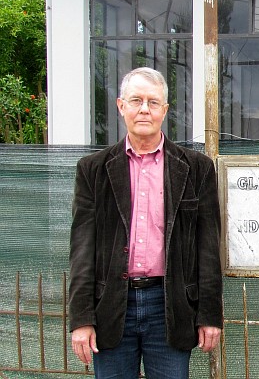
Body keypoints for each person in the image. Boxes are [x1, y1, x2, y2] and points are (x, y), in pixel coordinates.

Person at [69, 67, 223, 378]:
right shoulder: (92, 170)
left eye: (153, 102)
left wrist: (210, 314)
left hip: (170, 306)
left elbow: (208, 247)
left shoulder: (197, 169)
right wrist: (81, 318)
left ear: (165, 110)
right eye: (136, 100)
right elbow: (82, 249)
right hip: (111, 305)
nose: (144, 109)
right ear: (120, 105)